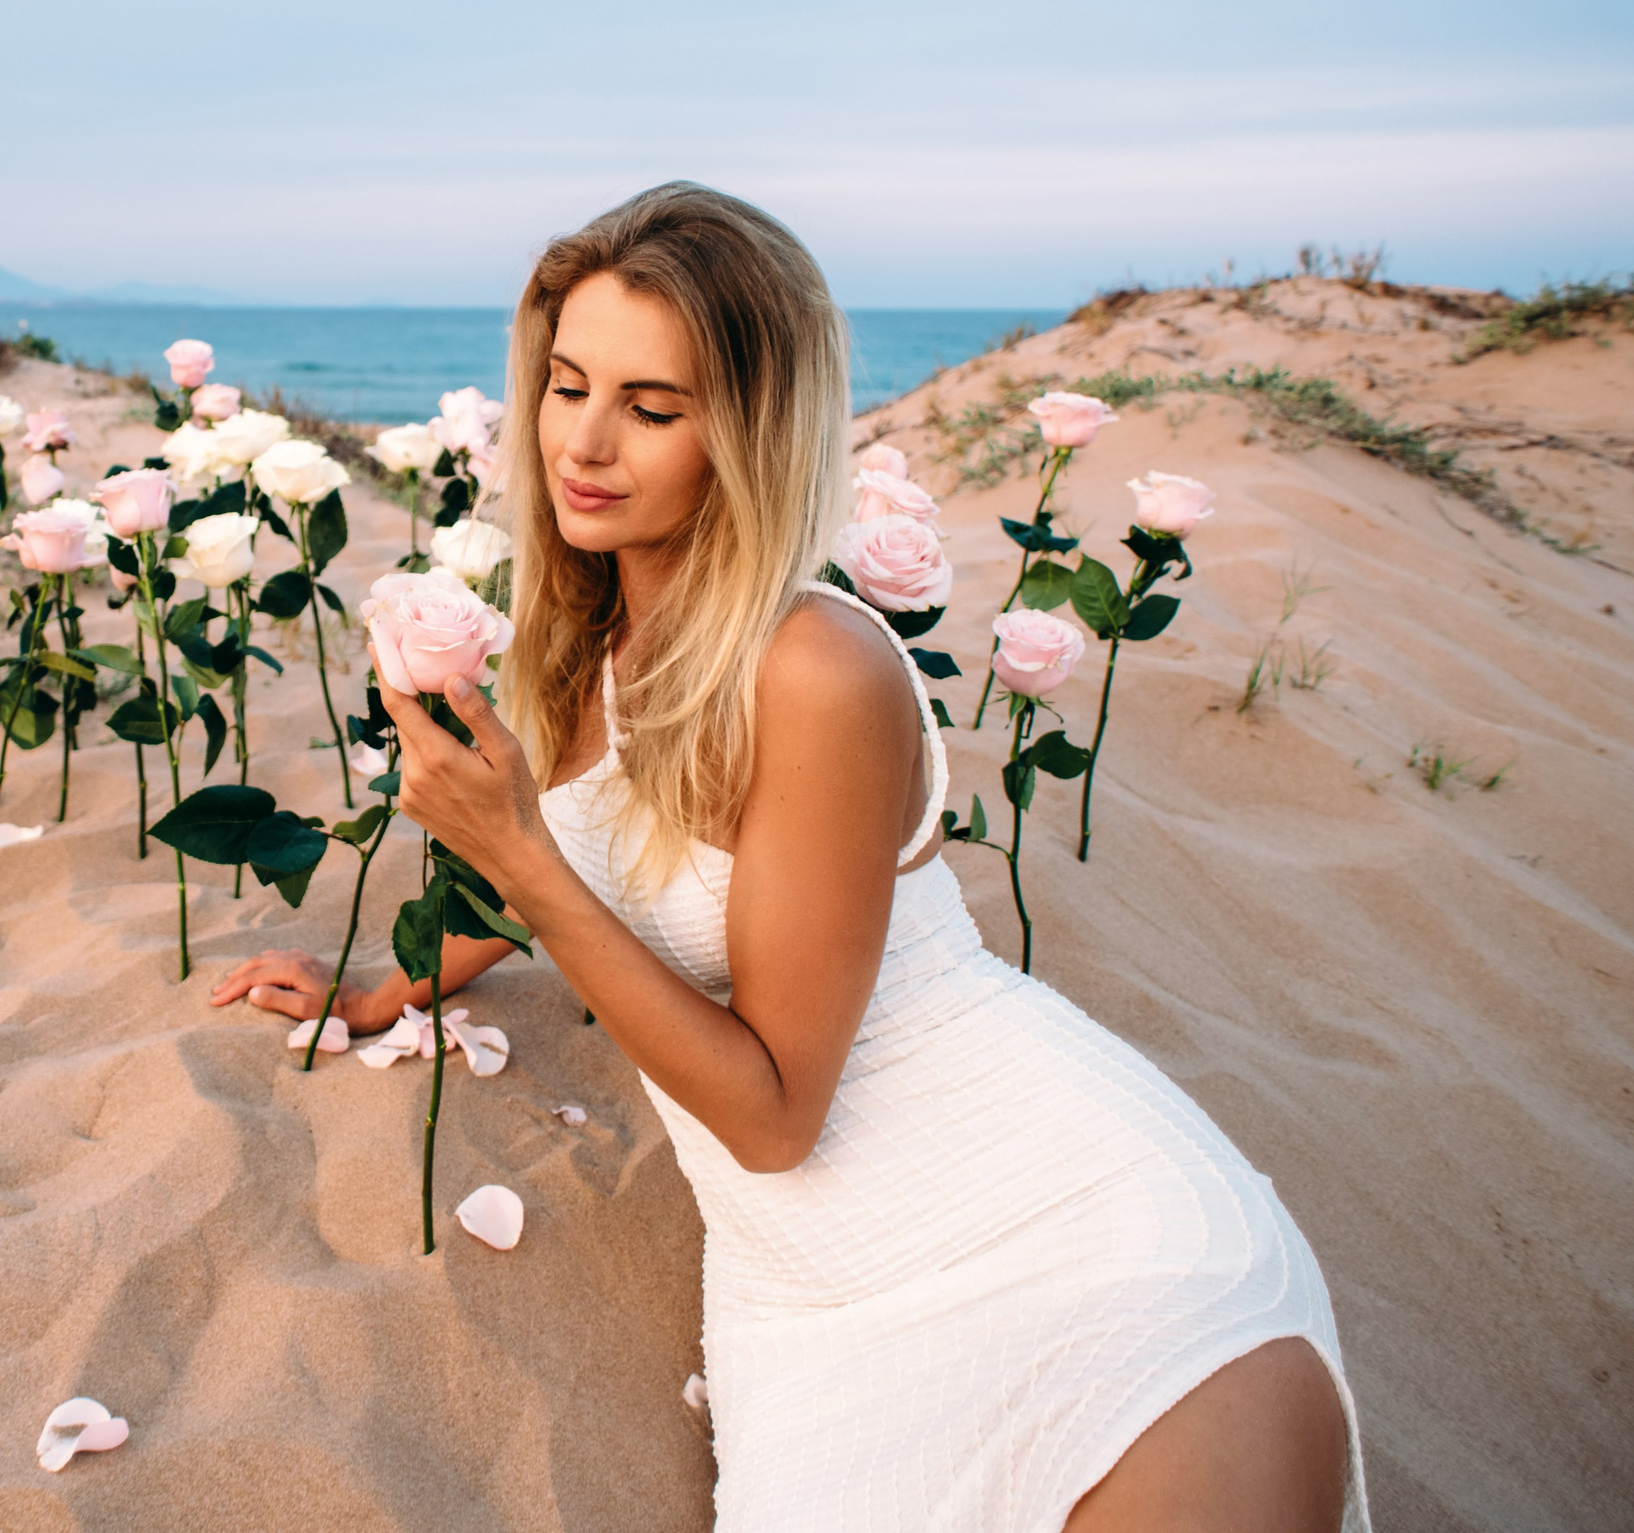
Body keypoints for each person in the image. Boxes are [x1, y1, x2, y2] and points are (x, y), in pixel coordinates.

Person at [209, 182, 1368, 1532]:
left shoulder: (816, 669)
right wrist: (388, 988)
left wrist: (518, 854)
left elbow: (770, 1112)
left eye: (652, 409)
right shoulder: (574, 646)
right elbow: (579, 865)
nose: (585, 442)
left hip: (1084, 1238)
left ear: (747, 437)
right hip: (810, 1296)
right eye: (568, 385)